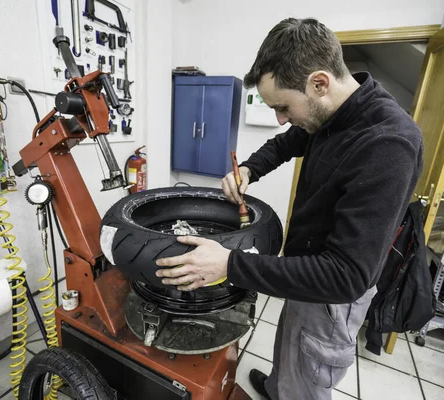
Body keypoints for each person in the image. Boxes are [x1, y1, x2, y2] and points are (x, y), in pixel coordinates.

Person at [155, 17, 423, 400]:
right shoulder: (331, 113)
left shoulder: (387, 145)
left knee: (307, 378)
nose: (280, 119)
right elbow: (287, 142)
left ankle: (292, 390)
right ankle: (281, 385)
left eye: (283, 107)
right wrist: (250, 168)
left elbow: (346, 277)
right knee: (291, 344)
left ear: (319, 83)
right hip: (306, 269)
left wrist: (229, 265)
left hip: (330, 297)